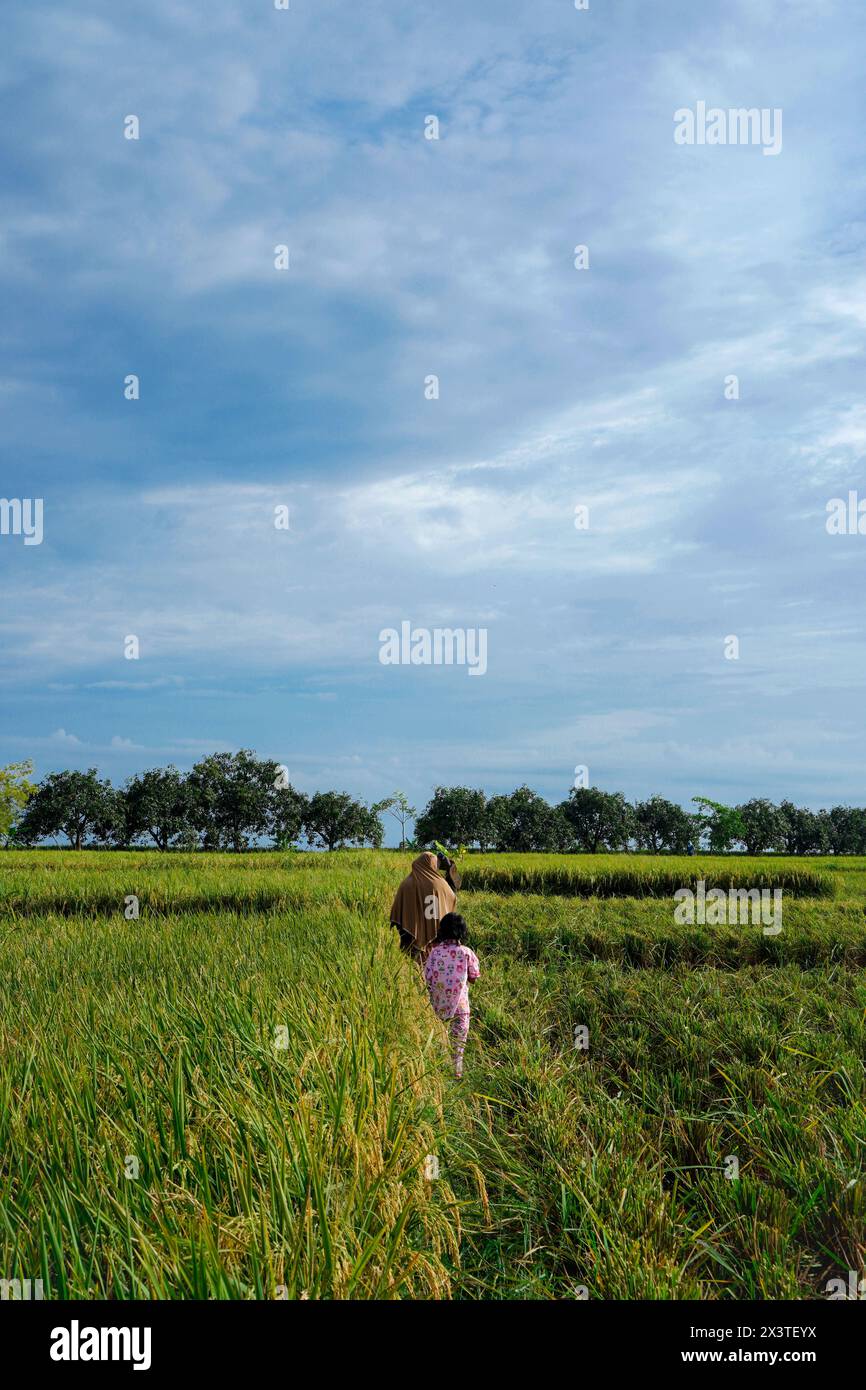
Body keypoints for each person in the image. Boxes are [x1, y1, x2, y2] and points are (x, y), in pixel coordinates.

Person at [423, 912, 480, 1079]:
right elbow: (474, 978)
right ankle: (456, 1073)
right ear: (462, 931)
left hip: (437, 1006)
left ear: (442, 930)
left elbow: (427, 978)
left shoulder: (434, 953)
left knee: (440, 1038)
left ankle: (436, 1070)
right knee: (458, 1042)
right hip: (460, 1006)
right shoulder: (467, 953)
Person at [389, 851, 457, 959]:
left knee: (412, 963)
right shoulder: (440, 884)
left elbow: (397, 913)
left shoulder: (406, 884)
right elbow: (453, 895)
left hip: (411, 933)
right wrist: (450, 868)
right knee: (435, 962)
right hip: (437, 933)